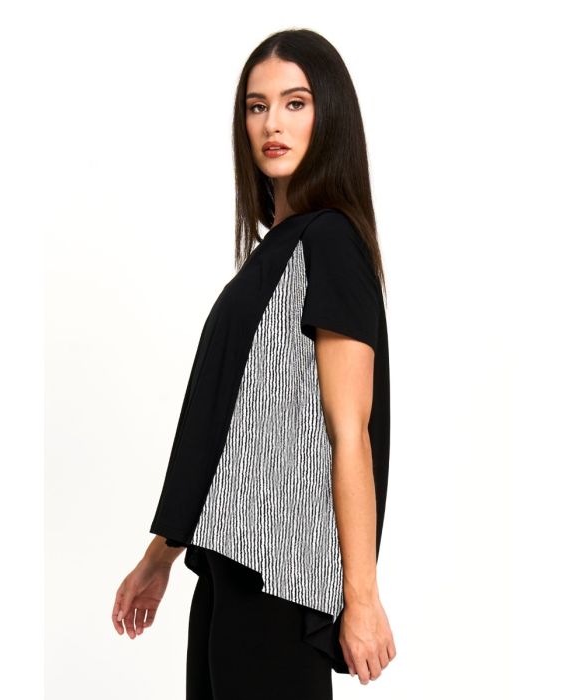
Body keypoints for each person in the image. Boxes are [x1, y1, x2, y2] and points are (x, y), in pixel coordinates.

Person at [111, 28, 397, 699]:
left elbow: (350, 430)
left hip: (278, 579)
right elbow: (222, 422)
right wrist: (161, 556)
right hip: (227, 570)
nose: (272, 124)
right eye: (256, 106)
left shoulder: (330, 241)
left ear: (330, 115)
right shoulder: (274, 254)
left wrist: (361, 597)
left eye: (295, 103)